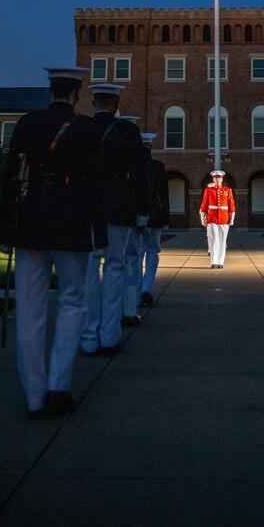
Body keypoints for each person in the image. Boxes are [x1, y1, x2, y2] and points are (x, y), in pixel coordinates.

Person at [0, 66, 102, 420]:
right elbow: (94, 187)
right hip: (71, 225)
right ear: (76, 95)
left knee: (29, 311)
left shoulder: (27, 124)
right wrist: (97, 234)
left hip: (30, 223)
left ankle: (35, 397)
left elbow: (9, 178)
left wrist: (4, 233)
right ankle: (59, 386)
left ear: (50, 92)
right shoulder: (86, 129)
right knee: (73, 302)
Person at [81, 84, 149, 355]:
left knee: (88, 271)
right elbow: (140, 175)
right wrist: (141, 211)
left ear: (93, 101)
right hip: (118, 208)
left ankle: (88, 336)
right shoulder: (128, 131)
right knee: (115, 269)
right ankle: (109, 336)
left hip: (86, 209)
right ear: (117, 102)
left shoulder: (82, 129)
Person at [138, 133, 170, 307]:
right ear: (150, 147)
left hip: (135, 216)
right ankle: (147, 289)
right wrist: (166, 217)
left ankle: (135, 291)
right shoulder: (158, 166)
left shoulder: (133, 165)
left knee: (137, 254)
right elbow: (163, 195)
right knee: (152, 252)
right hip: (154, 216)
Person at [199, 170, 235, 268]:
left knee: (223, 240)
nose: (217, 179)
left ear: (222, 179)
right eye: (215, 178)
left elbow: (231, 206)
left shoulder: (228, 191)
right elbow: (204, 206)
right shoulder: (208, 191)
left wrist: (232, 219)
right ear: (213, 179)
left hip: (224, 218)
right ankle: (214, 262)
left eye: (219, 178)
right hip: (212, 218)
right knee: (214, 239)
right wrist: (203, 219)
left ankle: (220, 262)